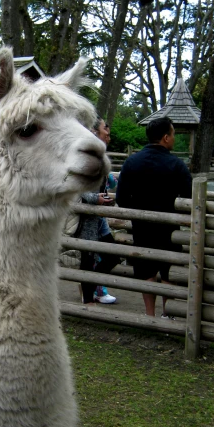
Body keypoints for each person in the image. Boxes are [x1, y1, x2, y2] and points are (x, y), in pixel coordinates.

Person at [116, 116, 192, 317]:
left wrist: (137, 211)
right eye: (173, 134)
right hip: (169, 227)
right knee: (168, 269)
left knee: (145, 269)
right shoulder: (176, 164)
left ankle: (150, 315)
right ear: (166, 138)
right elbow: (190, 196)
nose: (174, 138)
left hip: (141, 226)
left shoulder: (132, 162)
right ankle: (168, 314)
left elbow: (121, 198)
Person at [76, 118, 121, 305]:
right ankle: (88, 301)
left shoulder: (99, 156)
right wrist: (97, 199)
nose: (108, 136)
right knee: (88, 258)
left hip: (98, 217)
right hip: (87, 216)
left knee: (112, 256)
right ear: (95, 132)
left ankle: (92, 287)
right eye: (105, 131)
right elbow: (79, 184)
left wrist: (104, 197)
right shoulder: (85, 155)